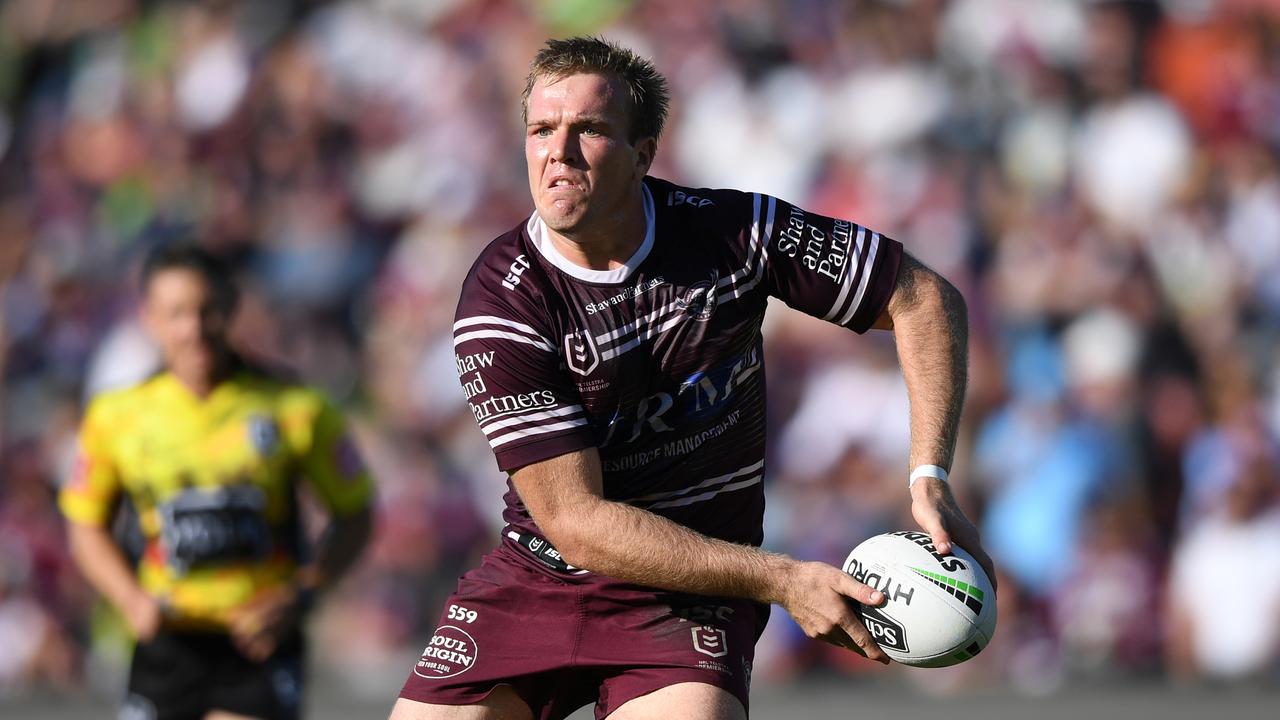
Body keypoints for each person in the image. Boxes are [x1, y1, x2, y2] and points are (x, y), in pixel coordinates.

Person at [392, 36, 993, 720]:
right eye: (540, 130)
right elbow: (576, 523)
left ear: (643, 155)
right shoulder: (503, 302)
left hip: (695, 587)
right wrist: (784, 579)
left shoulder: (737, 234)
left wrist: (929, 478)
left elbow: (920, 299)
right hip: (541, 575)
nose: (556, 153)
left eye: (587, 130)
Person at [60, 244, 375, 720]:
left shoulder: (295, 408)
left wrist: (303, 593)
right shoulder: (117, 418)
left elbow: (356, 512)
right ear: (149, 318)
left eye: (206, 310)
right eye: (176, 313)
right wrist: (129, 599)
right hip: (166, 638)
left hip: (258, 640)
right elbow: (85, 523)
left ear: (229, 308)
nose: (193, 329)